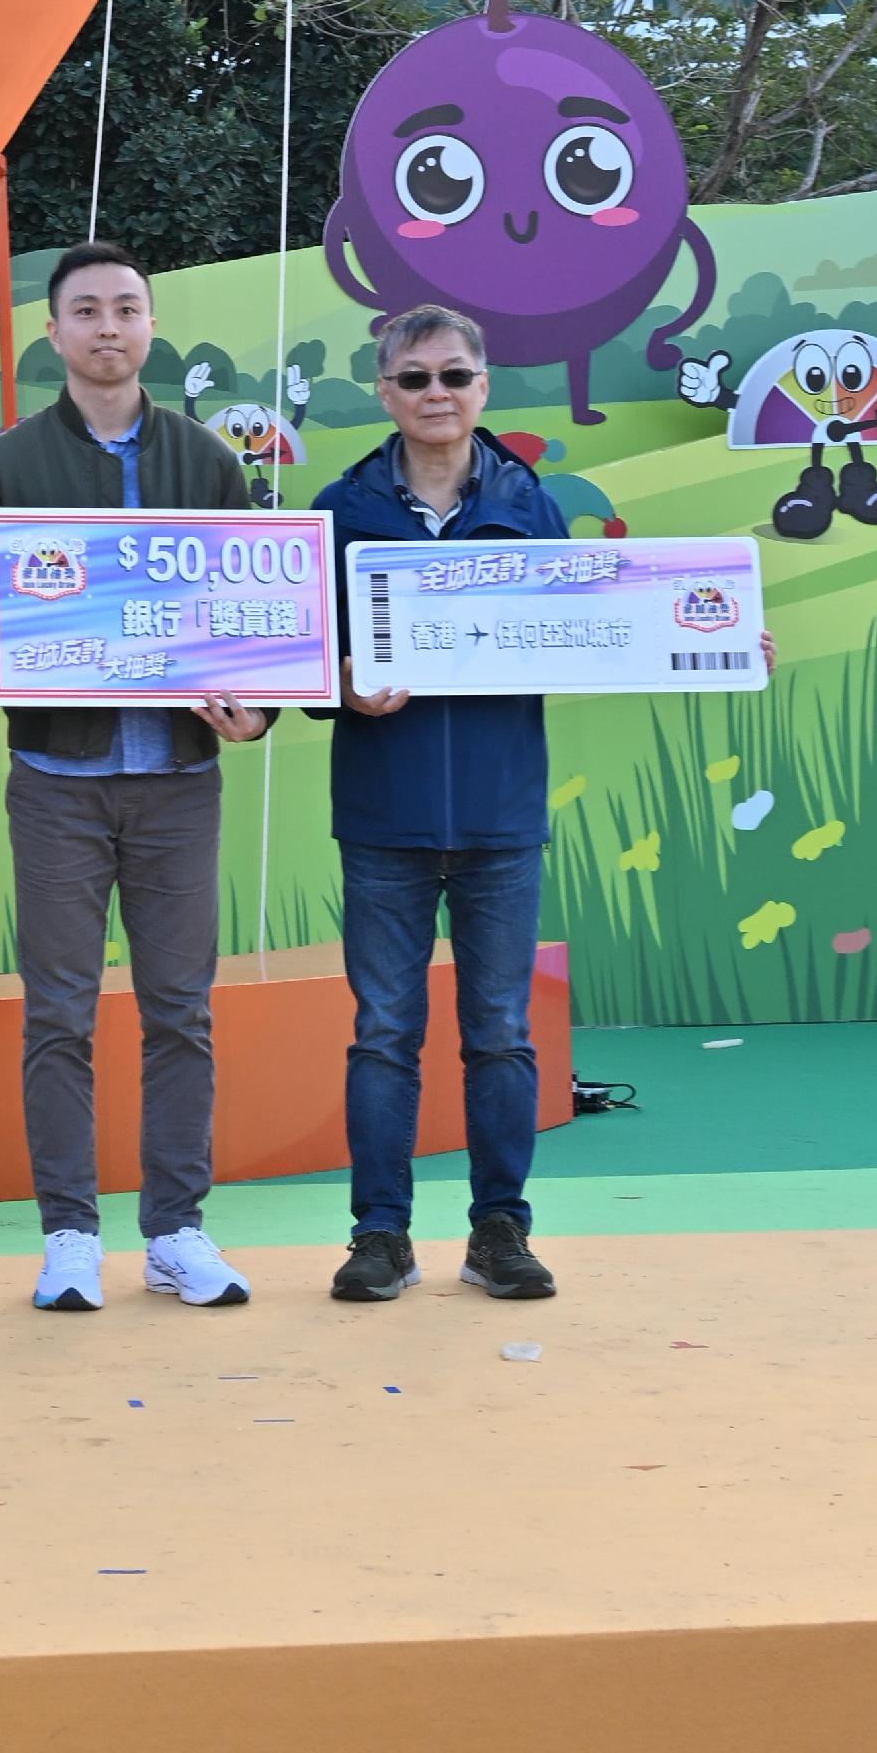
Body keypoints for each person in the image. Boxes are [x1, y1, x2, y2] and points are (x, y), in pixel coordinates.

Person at [0, 241, 271, 1316]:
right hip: (58, 780)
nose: (108, 328)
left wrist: (252, 708)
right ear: (54, 333)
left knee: (181, 1010)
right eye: (86, 311)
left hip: (178, 778)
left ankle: (176, 1230)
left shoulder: (210, 463)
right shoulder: (10, 466)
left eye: (127, 308)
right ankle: (68, 1234)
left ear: (151, 324)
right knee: (59, 1015)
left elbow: (253, 618)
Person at [314, 301, 568, 1308]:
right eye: (414, 377)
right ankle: (380, 1234)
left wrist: (706, 638)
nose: (435, 394)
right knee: (384, 1032)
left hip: (503, 818)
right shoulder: (340, 511)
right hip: (384, 817)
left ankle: (499, 1229)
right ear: (384, 391)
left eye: (453, 376)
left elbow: (591, 627)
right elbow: (296, 663)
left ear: (483, 387)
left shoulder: (529, 503)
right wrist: (338, 681)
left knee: (500, 1031)